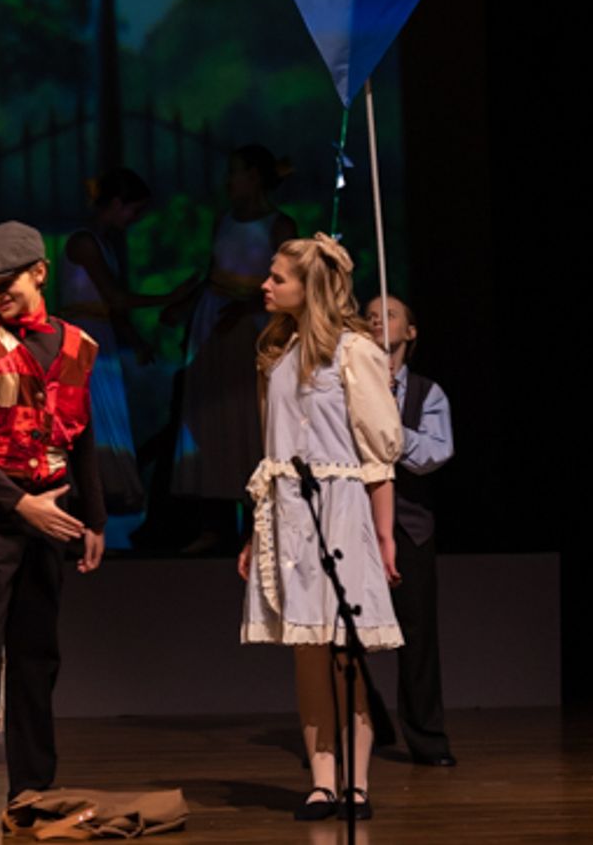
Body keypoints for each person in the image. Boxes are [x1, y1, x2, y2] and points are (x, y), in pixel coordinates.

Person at [0, 221, 107, 832]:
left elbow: (82, 438)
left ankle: (34, 785)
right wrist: (18, 504)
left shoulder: (79, 346)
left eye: (6, 284)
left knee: (38, 652)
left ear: (40, 273)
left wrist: (93, 517)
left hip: (54, 514)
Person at [239, 233, 402, 822]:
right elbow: (272, 455)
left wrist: (384, 538)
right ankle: (321, 781)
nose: (266, 285)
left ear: (310, 288)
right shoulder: (276, 353)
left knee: (345, 653)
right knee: (307, 651)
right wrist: (256, 534)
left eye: (278, 277)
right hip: (287, 513)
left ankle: (357, 781)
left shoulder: (355, 351)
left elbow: (378, 453)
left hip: (339, 507)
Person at [168, 145, 297, 552]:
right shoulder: (223, 221)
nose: (230, 181)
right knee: (211, 416)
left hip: (254, 325)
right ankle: (213, 522)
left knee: (250, 418)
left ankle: (257, 520)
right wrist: (185, 308)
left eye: (237, 172)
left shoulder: (279, 225)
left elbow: (292, 284)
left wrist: (245, 308)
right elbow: (212, 273)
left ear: (256, 177)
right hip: (215, 321)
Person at [61, 167, 195, 528]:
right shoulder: (83, 243)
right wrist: (170, 296)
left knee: (104, 420)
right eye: (132, 211)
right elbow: (114, 297)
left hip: (99, 341)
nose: (134, 219)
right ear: (116, 203)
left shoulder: (103, 244)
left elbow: (112, 307)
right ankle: (79, 506)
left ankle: (98, 510)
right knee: (86, 420)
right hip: (81, 343)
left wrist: (135, 341)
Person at [365, 294, 457, 767]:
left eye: (391, 314)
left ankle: (426, 737)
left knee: (417, 637)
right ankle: (363, 726)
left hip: (410, 528)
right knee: (344, 634)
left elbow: (433, 455)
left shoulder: (427, 393)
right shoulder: (350, 387)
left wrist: (386, 424)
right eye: (371, 315)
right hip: (356, 526)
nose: (379, 319)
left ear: (412, 331)